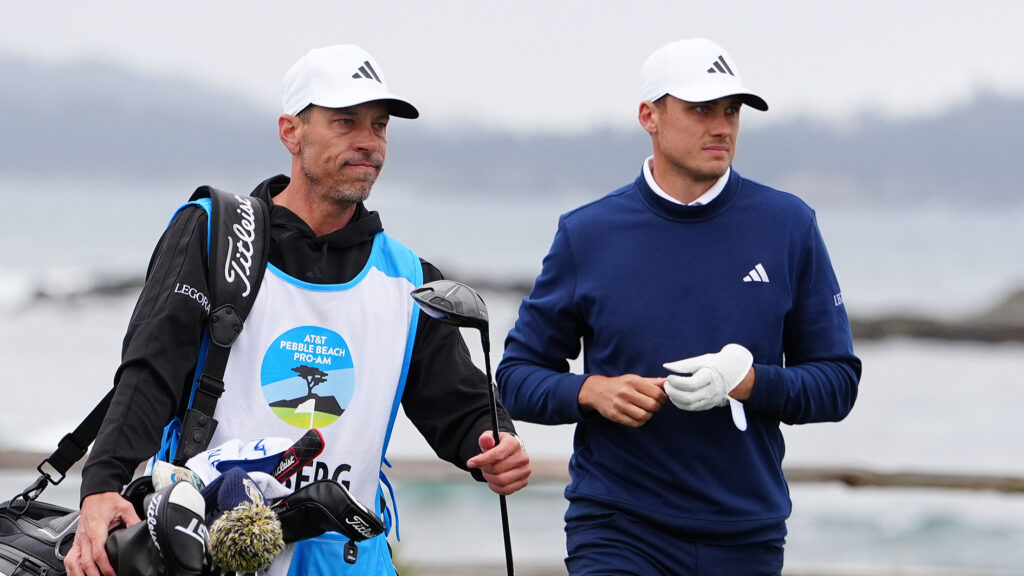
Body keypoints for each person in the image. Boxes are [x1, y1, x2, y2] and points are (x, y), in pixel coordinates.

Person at [65, 44, 531, 576]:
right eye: (345, 122)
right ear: (292, 131)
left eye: (379, 126)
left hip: (350, 558)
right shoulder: (216, 232)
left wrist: (496, 442)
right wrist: (102, 486)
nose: (369, 143)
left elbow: (459, 407)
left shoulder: (408, 279)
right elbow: (150, 371)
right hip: (212, 550)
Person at [496, 38, 860, 575]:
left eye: (731, 111)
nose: (722, 127)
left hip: (744, 534)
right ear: (650, 116)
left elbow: (837, 382)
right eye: (701, 109)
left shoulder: (789, 226)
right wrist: (591, 391)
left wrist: (749, 382)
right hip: (617, 527)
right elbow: (517, 377)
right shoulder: (587, 233)